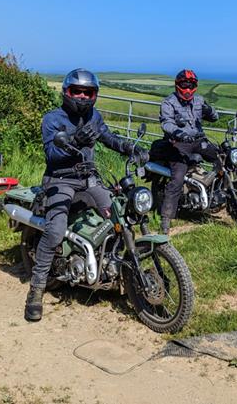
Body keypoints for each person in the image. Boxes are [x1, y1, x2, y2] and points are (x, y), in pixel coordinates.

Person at [24, 68, 148, 322]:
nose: (82, 97)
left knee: (120, 217)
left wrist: (129, 148)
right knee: (56, 230)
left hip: (88, 179)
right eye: (76, 91)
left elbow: (108, 137)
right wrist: (74, 139)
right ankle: (35, 291)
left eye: (88, 92)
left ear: (95, 95)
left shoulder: (94, 116)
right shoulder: (53, 119)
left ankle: (117, 269)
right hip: (60, 180)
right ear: (66, 92)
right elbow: (52, 155)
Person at [151, 69, 219, 234]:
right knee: (177, 178)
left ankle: (220, 194)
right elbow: (166, 123)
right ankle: (166, 220)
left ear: (195, 86)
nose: (187, 88)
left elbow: (214, 117)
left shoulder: (199, 100)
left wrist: (210, 111)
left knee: (221, 157)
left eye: (191, 85)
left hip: (198, 140)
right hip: (178, 143)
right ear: (178, 85)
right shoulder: (169, 102)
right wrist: (178, 133)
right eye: (184, 84)